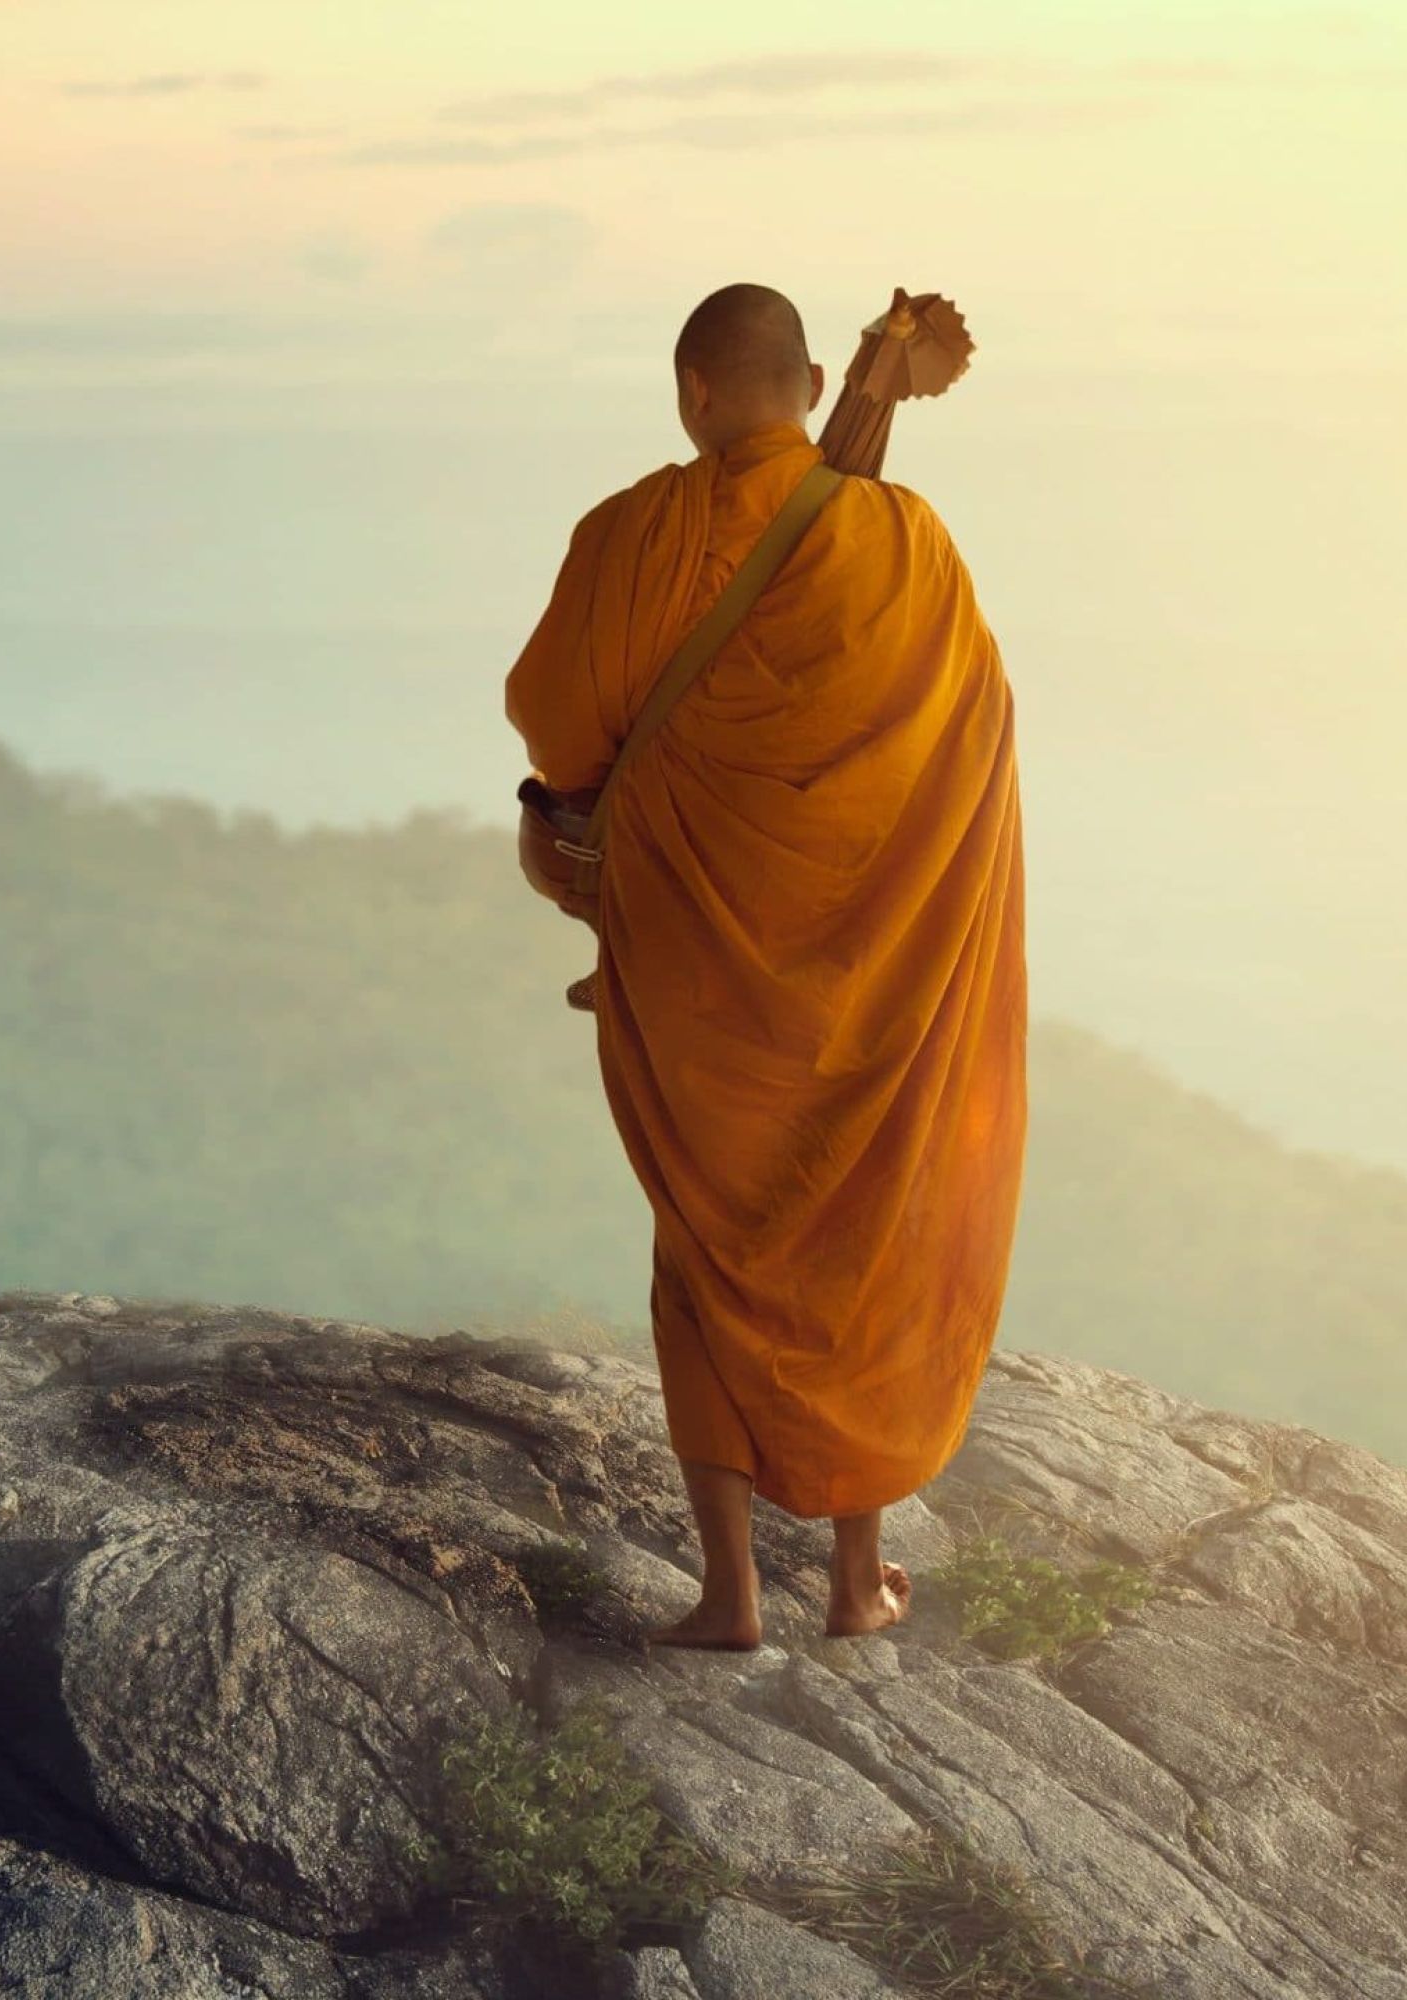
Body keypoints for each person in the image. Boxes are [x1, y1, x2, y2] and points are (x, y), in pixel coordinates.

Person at [502, 283, 1028, 1648]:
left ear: (692, 393)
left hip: (695, 978)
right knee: (856, 1236)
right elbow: (961, 749)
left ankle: (731, 1595)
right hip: (868, 984)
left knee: (709, 1245)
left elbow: (556, 727)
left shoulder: (631, 536)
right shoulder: (905, 543)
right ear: (808, 384)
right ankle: (856, 1584)